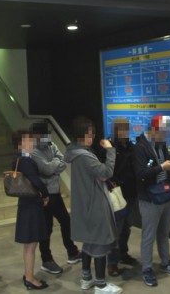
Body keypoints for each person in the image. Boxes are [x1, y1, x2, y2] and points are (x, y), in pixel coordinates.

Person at [64, 117, 122, 294]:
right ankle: (100, 285)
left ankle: (86, 278)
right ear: (79, 135)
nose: (92, 138)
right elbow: (106, 172)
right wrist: (110, 150)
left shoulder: (76, 152)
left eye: (93, 134)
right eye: (88, 135)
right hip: (94, 205)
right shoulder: (84, 155)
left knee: (89, 245)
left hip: (85, 205)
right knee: (99, 245)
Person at [30, 121, 81, 276]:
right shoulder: (33, 151)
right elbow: (46, 169)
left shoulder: (51, 145)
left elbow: (63, 161)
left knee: (66, 221)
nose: (46, 136)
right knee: (47, 228)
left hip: (55, 192)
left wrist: (53, 165)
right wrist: (55, 165)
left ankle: (72, 252)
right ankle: (47, 260)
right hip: (44, 194)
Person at [133, 115, 170, 287]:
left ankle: (166, 262)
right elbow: (140, 174)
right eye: (162, 132)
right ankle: (147, 268)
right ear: (153, 130)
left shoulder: (161, 144)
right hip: (149, 198)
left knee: (164, 232)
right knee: (149, 235)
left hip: (166, 194)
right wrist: (161, 167)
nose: (164, 136)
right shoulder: (140, 147)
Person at [13, 129, 50, 290]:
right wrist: (45, 194)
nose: (32, 143)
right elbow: (36, 181)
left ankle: (28, 274)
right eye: (29, 140)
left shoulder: (18, 158)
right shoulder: (25, 160)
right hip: (31, 205)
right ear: (20, 143)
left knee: (29, 244)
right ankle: (29, 278)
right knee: (31, 245)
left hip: (26, 204)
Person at [106, 118, 138, 276]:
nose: (125, 132)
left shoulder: (131, 147)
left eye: (126, 128)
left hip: (131, 193)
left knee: (127, 227)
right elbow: (107, 170)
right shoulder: (110, 147)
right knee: (116, 230)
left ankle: (123, 253)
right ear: (115, 130)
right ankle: (112, 262)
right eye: (121, 129)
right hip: (117, 194)